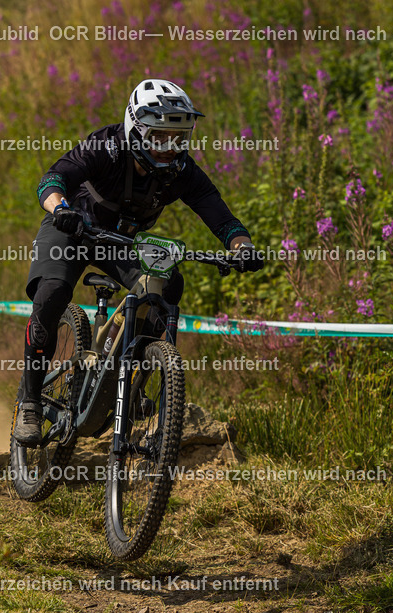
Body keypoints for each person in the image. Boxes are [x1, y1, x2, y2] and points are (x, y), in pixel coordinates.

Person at [14, 78, 264, 445]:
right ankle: (31, 402)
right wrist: (61, 209)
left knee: (168, 284)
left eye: (178, 139)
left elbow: (221, 217)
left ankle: (129, 382)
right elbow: (52, 179)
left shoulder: (181, 172)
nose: (169, 148)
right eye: (160, 137)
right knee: (51, 295)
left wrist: (243, 247)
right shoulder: (106, 147)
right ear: (137, 128)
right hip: (70, 230)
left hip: (118, 243)